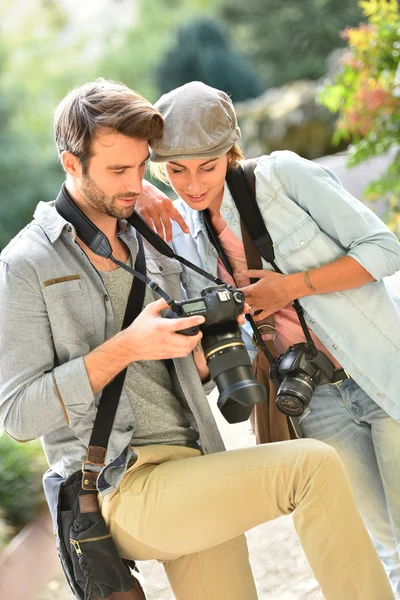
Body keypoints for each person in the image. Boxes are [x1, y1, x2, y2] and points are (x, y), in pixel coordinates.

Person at [0, 79, 394, 600]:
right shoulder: (27, 264)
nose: (134, 183)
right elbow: (17, 415)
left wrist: (209, 356)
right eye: (119, 171)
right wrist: (128, 346)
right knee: (313, 468)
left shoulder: (155, 240)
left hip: (195, 463)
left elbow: (188, 368)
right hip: (120, 482)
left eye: (141, 167)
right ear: (71, 165)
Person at [136, 80, 400, 595]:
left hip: (379, 371)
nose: (192, 185)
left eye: (207, 167)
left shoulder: (283, 175)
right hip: (313, 397)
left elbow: (384, 250)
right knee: (384, 542)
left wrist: (293, 287)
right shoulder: (184, 233)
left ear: (229, 150)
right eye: (175, 171)